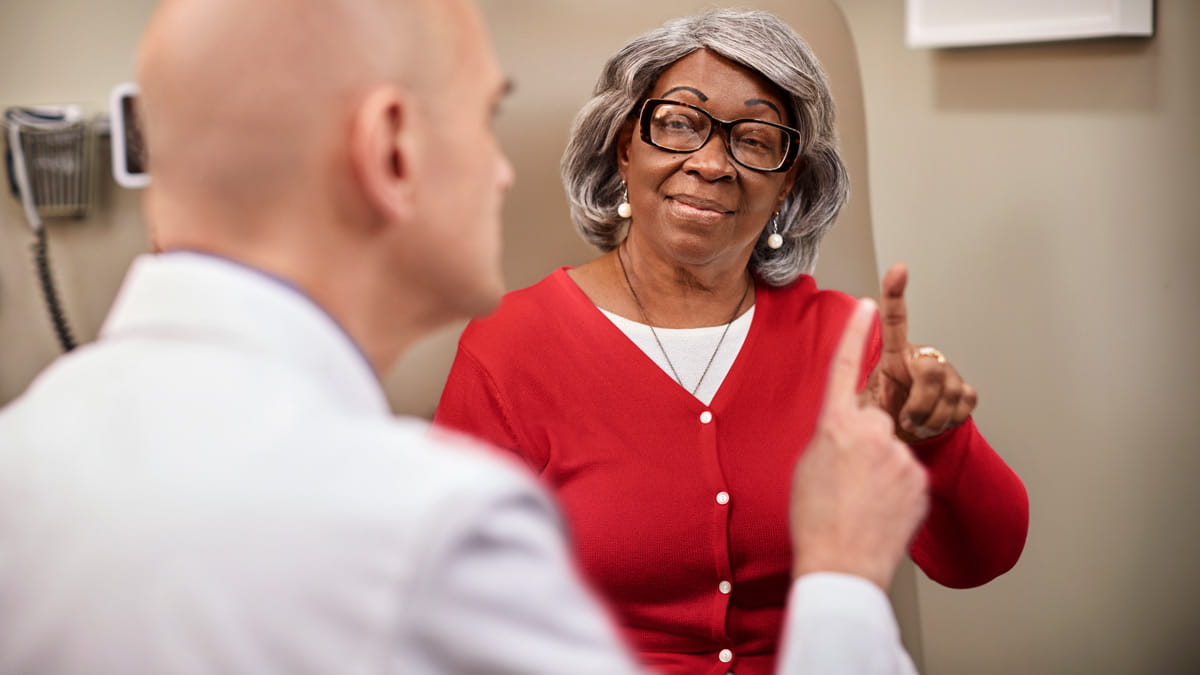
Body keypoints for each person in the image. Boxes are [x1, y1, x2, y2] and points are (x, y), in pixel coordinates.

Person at [0, 1, 927, 673]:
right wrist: (843, 576)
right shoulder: (430, 528)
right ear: (391, 151)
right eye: (484, 120)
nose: (500, 172)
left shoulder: (21, 458)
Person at [435, 9, 1031, 675]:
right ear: (625, 146)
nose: (712, 163)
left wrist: (934, 440)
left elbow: (981, 559)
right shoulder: (512, 344)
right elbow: (449, 604)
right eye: (679, 123)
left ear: (787, 183)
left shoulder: (845, 343)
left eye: (755, 139)